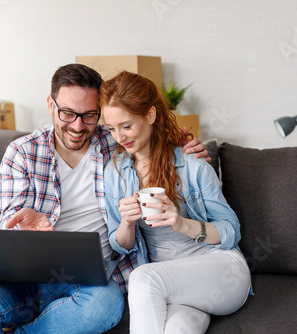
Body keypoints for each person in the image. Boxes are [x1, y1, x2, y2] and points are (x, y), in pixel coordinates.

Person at [0, 64, 208, 334]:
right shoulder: (22, 153)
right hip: (26, 276)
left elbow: (156, 139)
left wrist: (189, 149)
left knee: (104, 306)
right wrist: (20, 230)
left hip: (91, 281)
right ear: (51, 104)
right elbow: (8, 222)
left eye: (89, 116)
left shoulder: (115, 143)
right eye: (68, 113)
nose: (77, 126)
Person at [101, 71, 251, 334]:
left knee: (142, 278)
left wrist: (183, 224)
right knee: (178, 329)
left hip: (222, 272)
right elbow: (120, 245)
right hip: (173, 285)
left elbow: (231, 230)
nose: (119, 138)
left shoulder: (192, 164)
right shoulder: (114, 173)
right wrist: (126, 222)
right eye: (112, 129)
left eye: (126, 126)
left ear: (150, 115)